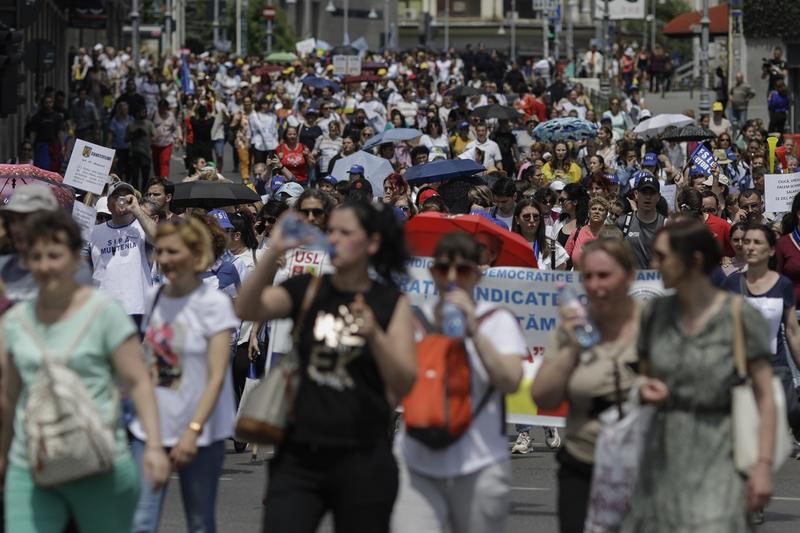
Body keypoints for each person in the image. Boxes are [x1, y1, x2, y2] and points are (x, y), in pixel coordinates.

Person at [236, 201, 416, 533]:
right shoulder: (307, 289)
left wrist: (375, 335)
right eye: (331, 231)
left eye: (345, 232)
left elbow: (405, 381)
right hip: (300, 456)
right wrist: (273, 251)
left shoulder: (390, 302)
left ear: (372, 243)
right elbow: (247, 308)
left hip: (363, 456)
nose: (333, 238)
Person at [0, 210, 170, 532]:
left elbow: (138, 383)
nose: (45, 265)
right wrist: (4, 455)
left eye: (54, 255)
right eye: (36, 256)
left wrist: (154, 447)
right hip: (31, 464)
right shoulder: (14, 322)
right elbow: (9, 396)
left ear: (74, 259)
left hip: (99, 461)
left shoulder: (104, 313)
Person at [621, 219, 775, 532]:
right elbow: (642, 377)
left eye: (662, 256)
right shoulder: (654, 313)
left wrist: (763, 465)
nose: (654, 265)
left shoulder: (738, 315)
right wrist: (643, 388)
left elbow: (766, 397)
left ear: (694, 260)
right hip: (660, 459)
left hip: (719, 457)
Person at [392, 232, 525, 533]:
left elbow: (510, 380)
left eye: (463, 270)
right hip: (416, 461)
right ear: (432, 272)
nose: (451, 277)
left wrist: (474, 330)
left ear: (477, 275)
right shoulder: (414, 320)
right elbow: (394, 386)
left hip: (479, 464)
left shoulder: (497, 320)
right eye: (443, 269)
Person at [129, 216, 239, 532]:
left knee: (200, 522)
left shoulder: (213, 303)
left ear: (195, 253)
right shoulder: (155, 296)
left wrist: (192, 431)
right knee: (140, 521)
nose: (164, 259)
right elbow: (148, 360)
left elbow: (217, 377)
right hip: (152, 428)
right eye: (160, 251)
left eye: (173, 251)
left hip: (201, 433)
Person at [532, 238, 640, 533]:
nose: (595, 285)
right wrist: (572, 348)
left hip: (643, 468)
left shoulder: (652, 323)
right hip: (583, 464)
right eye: (587, 277)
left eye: (604, 275)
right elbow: (543, 397)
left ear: (628, 276)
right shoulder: (572, 326)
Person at [722, 223, 800, 444]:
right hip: (742, 373)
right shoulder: (731, 285)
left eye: (757, 242)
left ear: (771, 250)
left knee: (785, 419)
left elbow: (792, 331)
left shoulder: (783, 285)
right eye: (747, 242)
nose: (750, 247)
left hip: (776, 369)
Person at [85, 181, 158, 329]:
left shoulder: (142, 227)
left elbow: (160, 239)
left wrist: (137, 210)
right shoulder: (94, 232)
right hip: (103, 311)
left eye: (127, 195)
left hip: (137, 309)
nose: (122, 199)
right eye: (117, 196)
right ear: (108, 204)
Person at [617, 172, 666, 269]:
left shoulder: (666, 224)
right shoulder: (623, 222)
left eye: (652, 193)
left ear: (658, 196)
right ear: (636, 194)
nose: (648, 197)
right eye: (644, 192)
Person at [565, 196, 610, 267]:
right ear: (588, 213)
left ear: (606, 214)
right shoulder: (577, 232)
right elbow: (564, 259)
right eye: (593, 209)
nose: (597, 212)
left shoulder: (611, 234)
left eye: (601, 210)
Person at [151, 99, 180, 179]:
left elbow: (174, 128)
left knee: (164, 162)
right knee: (156, 163)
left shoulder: (171, 115)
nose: (162, 110)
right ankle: (158, 179)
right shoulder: (154, 114)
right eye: (161, 108)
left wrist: (176, 140)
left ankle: (164, 180)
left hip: (167, 143)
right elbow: (149, 125)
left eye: (164, 108)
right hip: (155, 143)